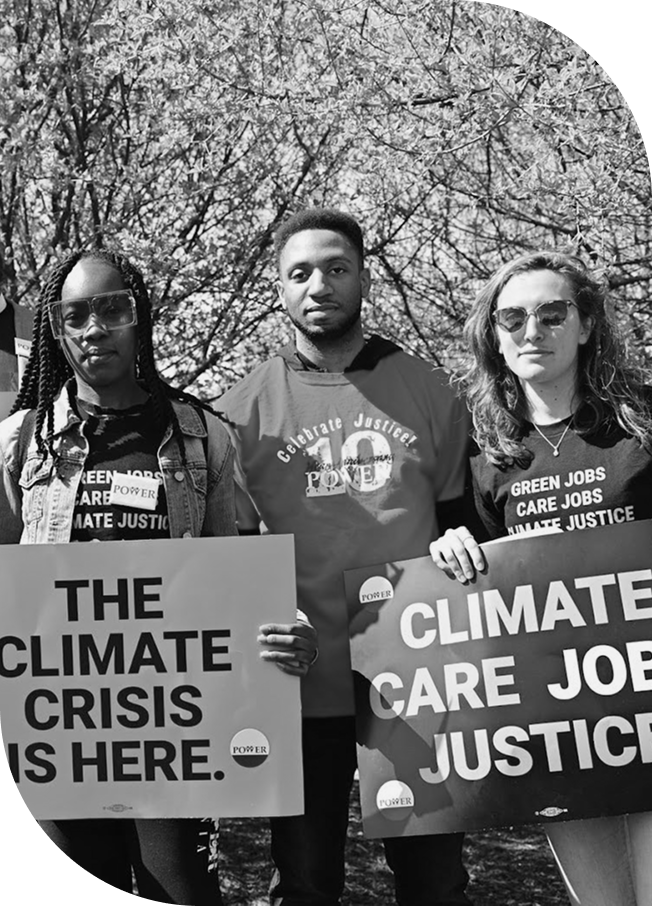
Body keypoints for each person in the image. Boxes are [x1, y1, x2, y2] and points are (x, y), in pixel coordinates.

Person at [0, 248, 317, 904]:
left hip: (173, 724)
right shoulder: (18, 441)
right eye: (75, 315)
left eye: (113, 308)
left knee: (185, 893)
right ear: (55, 330)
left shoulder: (203, 436)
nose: (95, 328)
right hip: (59, 723)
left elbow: (233, 578)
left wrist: (283, 630)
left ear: (139, 315)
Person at [218, 207, 474, 905]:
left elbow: (461, 523)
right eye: (300, 273)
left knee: (434, 884)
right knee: (304, 883)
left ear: (363, 277)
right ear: (279, 288)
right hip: (301, 686)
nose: (319, 285)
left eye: (336, 268)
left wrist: (462, 548)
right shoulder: (239, 412)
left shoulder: (430, 389)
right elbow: (234, 559)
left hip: (412, 680)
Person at [429, 250, 652, 906]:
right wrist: (449, 549)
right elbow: (476, 583)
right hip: (561, 726)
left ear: (586, 324)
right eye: (514, 318)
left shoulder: (641, 425)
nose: (533, 331)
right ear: (494, 335)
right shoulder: (482, 454)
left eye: (553, 314)